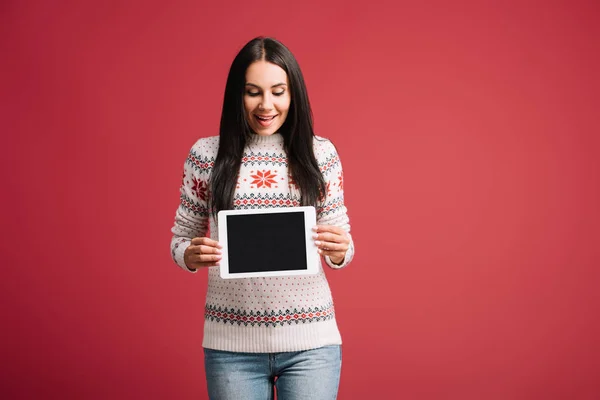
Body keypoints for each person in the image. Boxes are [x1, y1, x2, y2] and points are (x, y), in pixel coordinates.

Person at [170, 36, 355, 400]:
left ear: (293, 94)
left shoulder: (321, 154)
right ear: (236, 96)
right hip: (230, 345)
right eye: (253, 92)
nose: (266, 104)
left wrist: (340, 248)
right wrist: (189, 255)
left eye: (278, 91)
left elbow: (342, 244)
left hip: (311, 343)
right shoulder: (205, 155)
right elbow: (181, 238)